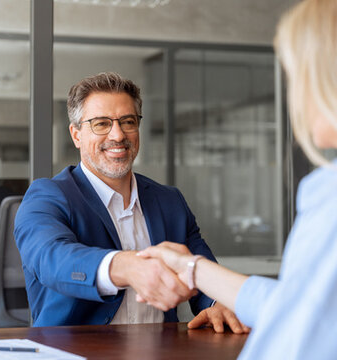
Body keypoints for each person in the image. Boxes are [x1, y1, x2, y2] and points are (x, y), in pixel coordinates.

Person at [137, 0, 337, 357]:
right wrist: (191, 268)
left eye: (296, 76)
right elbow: (297, 306)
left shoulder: (330, 192)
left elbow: (297, 335)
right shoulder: (52, 195)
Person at [14, 72, 245, 331]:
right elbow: (52, 259)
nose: (118, 135)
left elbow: (201, 274)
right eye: (101, 123)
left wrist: (217, 303)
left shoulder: (169, 201)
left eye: (127, 121)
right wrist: (126, 267)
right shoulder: (47, 196)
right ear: (76, 135)